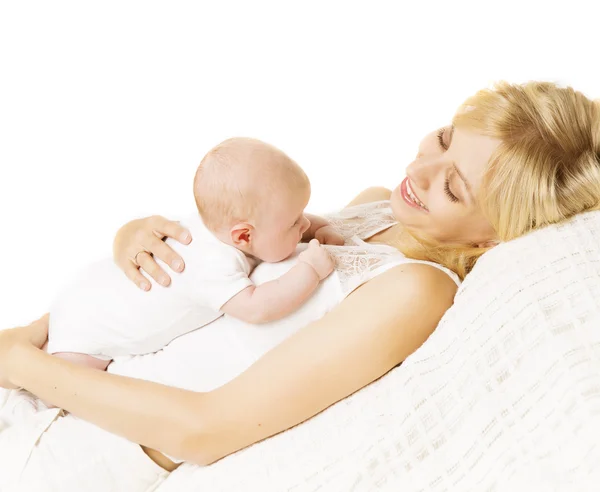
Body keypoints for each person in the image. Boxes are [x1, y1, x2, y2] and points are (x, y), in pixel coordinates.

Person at [1, 81, 598, 491]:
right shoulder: (371, 211)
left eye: (454, 187)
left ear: (490, 242)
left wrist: (27, 367)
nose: (417, 171)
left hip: (77, 449)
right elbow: (221, 272)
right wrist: (134, 239)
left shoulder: (414, 291)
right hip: (55, 373)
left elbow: (204, 430)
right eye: (443, 139)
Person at [45, 137, 342, 371]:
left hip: (86, 292)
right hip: (82, 337)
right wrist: (310, 271)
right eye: (295, 222)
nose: (305, 223)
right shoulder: (212, 265)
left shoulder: (222, 226)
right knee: (76, 387)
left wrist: (321, 228)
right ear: (243, 236)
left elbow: (273, 231)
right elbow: (257, 308)